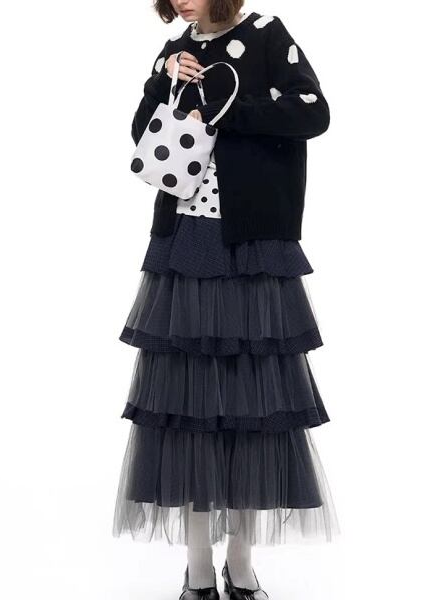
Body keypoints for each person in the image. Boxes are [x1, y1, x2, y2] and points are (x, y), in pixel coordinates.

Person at [113, 2, 339, 598]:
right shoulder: (176, 50)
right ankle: (196, 571)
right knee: (187, 414)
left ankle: (240, 565)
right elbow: (142, 135)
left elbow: (313, 112)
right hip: (184, 239)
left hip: (253, 242)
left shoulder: (265, 34)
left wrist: (230, 109)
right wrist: (165, 80)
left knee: (252, 411)